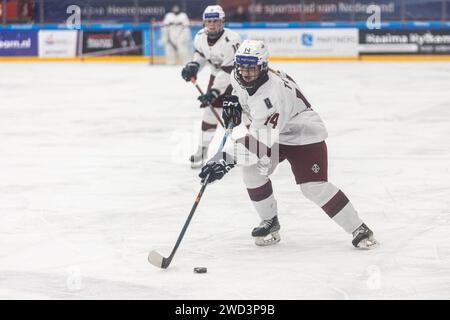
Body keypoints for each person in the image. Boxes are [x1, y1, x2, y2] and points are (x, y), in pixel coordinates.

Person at [198, 39, 379, 249]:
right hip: (274, 132)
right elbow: (243, 96)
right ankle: (270, 222)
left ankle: (359, 228)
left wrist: (224, 159)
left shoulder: (272, 96)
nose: (246, 73)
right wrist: (235, 103)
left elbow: (257, 145)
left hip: (302, 133)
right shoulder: (237, 75)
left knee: (313, 187)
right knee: (252, 171)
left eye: (252, 68)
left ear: (263, 66)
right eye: (242, 67)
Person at [181, 5, 247, 168]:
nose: (212, 24)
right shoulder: (200, 36)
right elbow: (202, 55)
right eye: (209, 21)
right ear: (204, 22)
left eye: (216, 21)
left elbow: (228, 70)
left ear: (222, 21)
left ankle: (264, 147)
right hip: (217, 76)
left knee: (249, 114)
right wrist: (194, 66)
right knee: (210, 114)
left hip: (241, 80)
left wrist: (214, 92)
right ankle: (202, 150)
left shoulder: (232, 39)